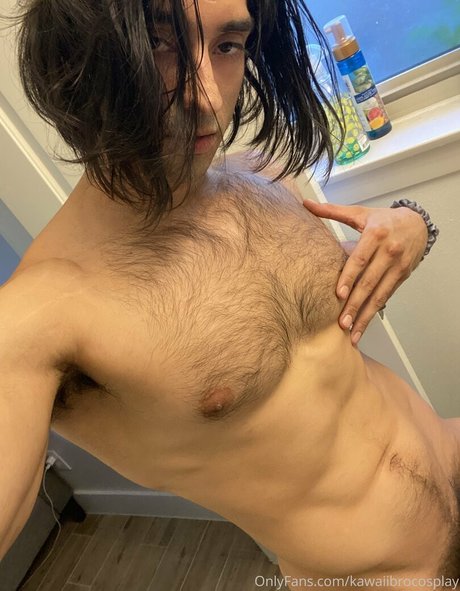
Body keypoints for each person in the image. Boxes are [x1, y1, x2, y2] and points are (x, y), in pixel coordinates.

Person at [0, 0, 452, 589]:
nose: (209, 98)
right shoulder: (39, 317)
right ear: (74, 60)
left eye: (228, 46)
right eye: (159, 44)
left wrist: (412, 224)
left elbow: (348, 304)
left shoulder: (263, 174)